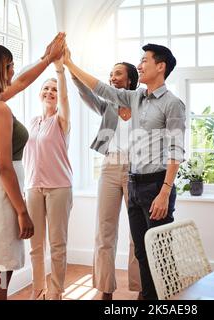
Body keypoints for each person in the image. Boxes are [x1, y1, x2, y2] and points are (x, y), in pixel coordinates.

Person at [64, 44, 186, 300]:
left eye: (144, 61)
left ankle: (155, 296)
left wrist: (165, 191)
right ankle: (127, 293)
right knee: (141, 248)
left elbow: (176, 149)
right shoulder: (135, 98)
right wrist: (69, 64)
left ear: (160, 66)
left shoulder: (172, 104)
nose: (140, 65)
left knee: (156, 249)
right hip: (132, 178)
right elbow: (99, 89)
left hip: (155, 182)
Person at [0, 34, 66, 300]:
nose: (13, 70)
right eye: (9, 65)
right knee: (2, 270)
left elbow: (21, 82)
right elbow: (5, 168)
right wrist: (22, 212)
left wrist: (47, 59)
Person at [71, 62, 142, 300]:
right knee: (104, 231)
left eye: (118, 73)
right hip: (110, 167)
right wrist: (71, 71)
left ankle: (141, 287)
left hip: (136, 169)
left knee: (137, 232)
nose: (113, 77)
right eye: (110, 74)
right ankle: (105, 289)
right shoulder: (108, 105)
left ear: (130, 79)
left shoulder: (140, 101)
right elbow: (87, 93)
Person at [23, 55, 73, 300]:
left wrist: (60, 72)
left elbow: (64, 99)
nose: (50, 92)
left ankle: (55, 292)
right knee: (35, 245)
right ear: (39, 93)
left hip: (59, 187)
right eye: (46, 88)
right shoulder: (33, 122)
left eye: (53, 89)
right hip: (33, 187)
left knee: (57, 244)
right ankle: (37, 289)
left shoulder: (61, 121)